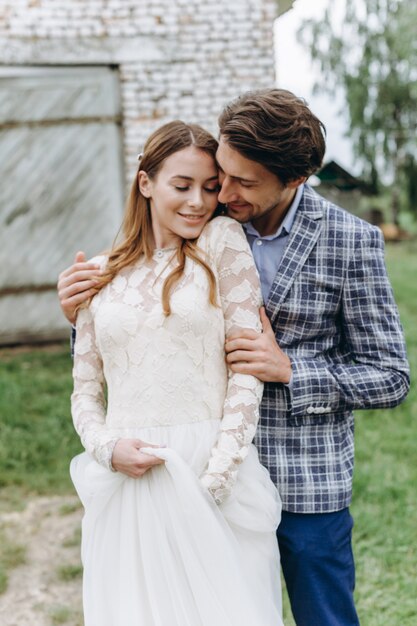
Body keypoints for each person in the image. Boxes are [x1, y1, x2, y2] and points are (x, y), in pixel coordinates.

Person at [58, 90, 410, 626]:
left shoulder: (350, 241)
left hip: (302, 479)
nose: (221, 191)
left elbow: (390, 377)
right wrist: (78, 315)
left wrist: (290, 369)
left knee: (325, 618)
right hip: (187, 463)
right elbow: (142, 329)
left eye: (242, 182)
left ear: (294, 180)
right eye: (223, 171)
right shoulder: (203, 212)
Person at [67, 120, 283, 626]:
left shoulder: (222, 243)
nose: (199, 202)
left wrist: (214, 480)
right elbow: (83, 390)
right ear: (145, 184)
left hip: (210, 469)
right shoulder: (101, 273)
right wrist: (106, 448)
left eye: (210, 189)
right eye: (181, 186)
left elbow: (246, 372)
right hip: (128, 478)